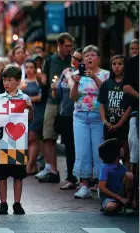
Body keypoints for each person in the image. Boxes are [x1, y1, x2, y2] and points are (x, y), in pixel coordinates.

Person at [70, 45, 110, 199]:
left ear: (98, 58)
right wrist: (75, 83)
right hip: (80, 116)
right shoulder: (76, 74)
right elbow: (73, 97)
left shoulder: (105, 74)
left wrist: (94, 77)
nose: (89, 58)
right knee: (82, 151)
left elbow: (105, 93)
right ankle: (84, 185)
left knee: (98, 151)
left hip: (98, 117)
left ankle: (102, 186)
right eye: (86, 55)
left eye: (92, 55)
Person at [0, 65, 33, 215]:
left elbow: (29, 120)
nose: (6, 83)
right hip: (1, 141)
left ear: (18, 82)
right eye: (4, 80)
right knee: (1, 174)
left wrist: (30, 109)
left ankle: (17, 203)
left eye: (10, 80)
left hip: (18, 143)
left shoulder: (25, 99)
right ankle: (3, 203)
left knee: (18, 174)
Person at [35, 32, 74, 182]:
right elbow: (44, 81)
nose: (69, 49)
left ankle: (72, 174)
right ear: (59, 45)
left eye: (71, 46)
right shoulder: (51, 60)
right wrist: (39, 79)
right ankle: (52, 170)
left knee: (69, 140)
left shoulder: (73, 60)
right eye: (66, 46)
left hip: (69, 104)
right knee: (48, 136)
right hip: (52, 102)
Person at [51, 48, 83, 189]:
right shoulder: (66, 73)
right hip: (64, 114)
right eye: (73, 57)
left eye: (78, 59)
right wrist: (54, 89)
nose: (74, 61)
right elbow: (57, 96)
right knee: (69, 147)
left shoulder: (81, 75)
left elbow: (73, 91)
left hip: (77, 115)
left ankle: (84, 179)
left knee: (79, 147)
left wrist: (70, 76)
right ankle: (71, 178)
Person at [98, 55, 131, 169]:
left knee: (125, 155)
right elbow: (101, 104)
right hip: (108, 125)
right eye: (114, 64)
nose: (116, 66)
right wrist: (104, 121)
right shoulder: (106, 84)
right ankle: (107, 183)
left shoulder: (128, 84)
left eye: (120, 64)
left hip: (123, 125)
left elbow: (130, 107)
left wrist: (119, 124)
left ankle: (126, 185)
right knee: (109, 156)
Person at [19, 59, 45, 175]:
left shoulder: (39, 81)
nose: (29, 69)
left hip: (37, 111)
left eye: (31, 67)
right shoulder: (22, 82)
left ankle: (29, 165)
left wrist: (28, 99)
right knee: (26, 139)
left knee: (33, 138)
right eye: (27, 67)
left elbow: (40, 97)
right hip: (24, 113)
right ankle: (33, 165)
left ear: (35, 68)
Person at [98, 138, 135, 214]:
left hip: (121, 194)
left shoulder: (120, 166)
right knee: (111, 206)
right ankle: (112, 206)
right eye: (120, 148)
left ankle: (128, 202)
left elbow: (128, 180)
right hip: (109, 197)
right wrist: (120, 198)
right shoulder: (105, 167)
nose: (122, 150)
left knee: (129, 175)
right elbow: (102, 187)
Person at [123, 51, 139, 210]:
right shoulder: (134, 63)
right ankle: (132, 198)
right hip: (137, 114)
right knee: (134, 158)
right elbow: (127, 86)